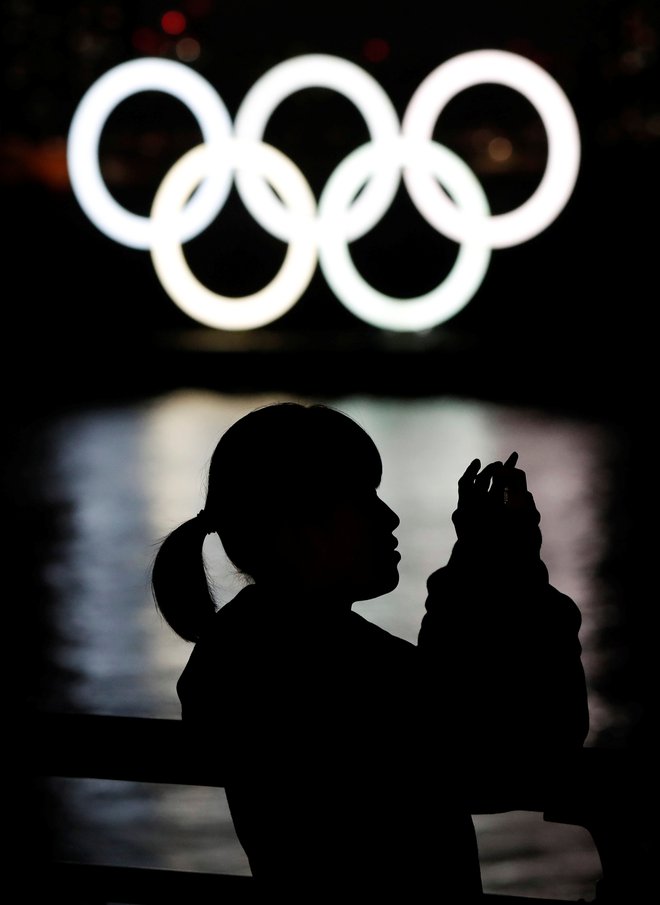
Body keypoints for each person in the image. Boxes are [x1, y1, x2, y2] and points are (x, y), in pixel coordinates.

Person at [151, 401, 483, 902]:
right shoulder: (354, 666)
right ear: (295, 527)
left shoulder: (234, 651)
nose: (389, 516)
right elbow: (501, 756)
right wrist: (491, 577)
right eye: (362, 498)